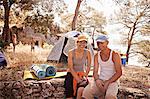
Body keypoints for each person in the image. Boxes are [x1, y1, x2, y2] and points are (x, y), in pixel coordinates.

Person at [82, 35, 122, 99]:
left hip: (113, 81)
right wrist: (97, 80)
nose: (100, 45)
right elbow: (95, 71)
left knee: (110, 96)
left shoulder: (115, 54)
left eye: (102, 43)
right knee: (86, 93)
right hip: (100, 80)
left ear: (107, 43)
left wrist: (108, 82)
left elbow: (119, 73)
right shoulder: (96, 55)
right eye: (98, 43)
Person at [64, 35, 91, 99]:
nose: (82, 44)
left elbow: (89, 66)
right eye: (80, 42)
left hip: (81, 74)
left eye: (84, 42)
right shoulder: (71, 52)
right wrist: (78, 79)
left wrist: (86, 75)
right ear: (77, 42)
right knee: (69, 92)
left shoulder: (87, 52)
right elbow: (70, 67)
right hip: (71, 74)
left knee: (81, 91)